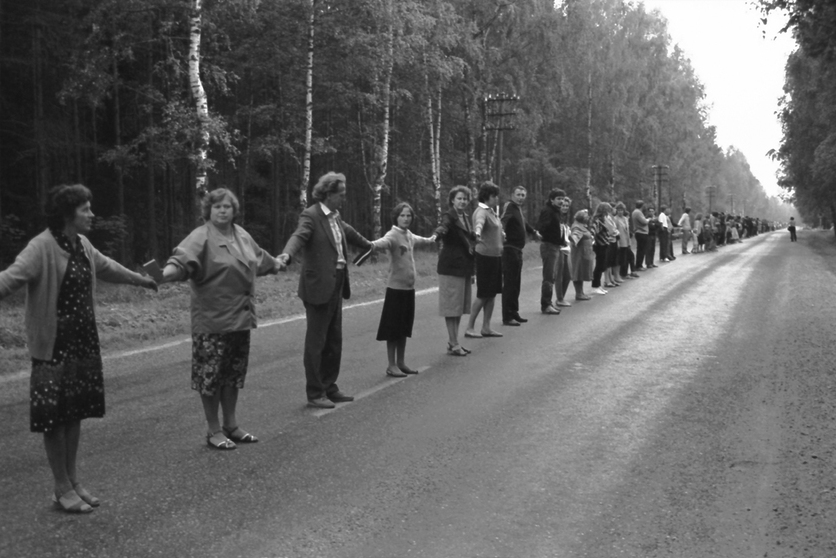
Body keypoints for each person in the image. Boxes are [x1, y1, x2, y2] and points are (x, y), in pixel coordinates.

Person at [0, 184, 157, 513]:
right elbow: (10, 279)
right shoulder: (40, 247)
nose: (91, 214)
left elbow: (109, 267)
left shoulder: (82, 244)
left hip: (82, 343)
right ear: (68, 213)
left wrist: (141, 280)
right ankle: (59, 486)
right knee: (54, 419)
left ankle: (72, 481)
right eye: (86, 209)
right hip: (52, 347)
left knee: (74, 415)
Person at [161, 188, 280, 450]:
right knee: (211, 377)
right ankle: (213, 429)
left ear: (234, 210)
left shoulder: (241, 235)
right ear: (208, 210)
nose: (223, 210)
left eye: (227, 206)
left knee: (232, 374)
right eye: (217, 207)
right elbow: (181, 261)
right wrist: (165, 273)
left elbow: (259, 258)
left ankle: (231, 424)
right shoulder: (201, 236)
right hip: (212, 320)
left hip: (240, 317)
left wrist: (277, 264)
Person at [277, 172, 372, 409]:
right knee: (317, 341)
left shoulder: (336, 217)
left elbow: (352, 235)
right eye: (340, 195)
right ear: (328, 194)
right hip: (318, 285)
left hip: (337, 282)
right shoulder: (311, 215)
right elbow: (298, 236)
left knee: (333, 339)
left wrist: (373, 245)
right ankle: (315, 392)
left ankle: (330, 386)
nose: (344, 198)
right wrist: (287, 254)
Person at [369, 202, 436, 377]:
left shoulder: (409, 235)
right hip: (395, 290)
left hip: (409, 289)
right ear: (396, 217)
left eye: (408, 216)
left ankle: (401, 362)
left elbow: (422, 240)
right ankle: (391, 364)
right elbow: (381, 243)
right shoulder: (392, 235)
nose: (406, 219)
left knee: (404, 328)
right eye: (402, 215)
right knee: (393, 329)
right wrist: (369, 245)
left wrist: (432, 239)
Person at [434, 186, 476, 356]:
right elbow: (443, 227)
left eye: (465, 199)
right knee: (452, 307)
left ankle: (454, 342)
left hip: (464, 266)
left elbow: (469, 240)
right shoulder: (449, 216)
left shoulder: (465, 217)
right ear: (452, 200)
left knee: (458, 307)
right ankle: (453, 342)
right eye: (459, 198)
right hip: (451, 266)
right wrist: (438, 233)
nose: (462, 201)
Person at [465, 182, 504, 339]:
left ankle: (486, 327)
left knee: (492, 293)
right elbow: (479, 225)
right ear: (488, 196)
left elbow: (495, 228)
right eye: (494, 196)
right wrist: (477, 232)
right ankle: (469, 327)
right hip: (485, 257)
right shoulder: (481, 211)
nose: (497, 199)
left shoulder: (491, 212)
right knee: (483, 294)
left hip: (495, 257)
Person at [500, 185, 539, 325]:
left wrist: (534, 232)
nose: (521, 197)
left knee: (516, 283)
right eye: (518, 194)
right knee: (510, 283)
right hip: (510, 249)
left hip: (518, 250)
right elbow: (503, 220)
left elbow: (524, 223)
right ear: (512, 195)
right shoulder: (510, 206)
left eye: (523, 195)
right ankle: (507, 316)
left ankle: (514, 312)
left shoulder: (518, 209)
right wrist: (502, 232)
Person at [536, 188, 567, 314]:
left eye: (562, 199)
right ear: (551, 200)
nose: (561, 201)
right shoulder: (548, 211)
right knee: (549, 277)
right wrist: (549, 236)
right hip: (549, 246)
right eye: (558, 199)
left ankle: (549, 302)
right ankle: (546, 304)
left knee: (552, 276)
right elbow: (541, 227)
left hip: (555, 246)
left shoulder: (556, 212)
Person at [569, 209, 594, 301]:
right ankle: (578, 293)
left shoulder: (582, 226)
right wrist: (572, 238)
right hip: (579, 253)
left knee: (582, 272)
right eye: (586, 216)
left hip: (584, 252)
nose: (587, 218)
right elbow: (575, 237)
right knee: (578, 271)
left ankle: (581, 292)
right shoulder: (576, 227)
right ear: (581, 217)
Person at [590, 202, 613, 295]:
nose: (608, 212)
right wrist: (593, 238)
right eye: (607, 210)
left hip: (604, 244)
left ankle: (598, 285)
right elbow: (593, 231)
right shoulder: (597, 220)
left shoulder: (602, 219)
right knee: (599, 266)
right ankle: (595, 286)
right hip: (599, 245)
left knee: (602, 265)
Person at [631, 200, 649, 271]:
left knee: (640, 249)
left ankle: (639, 264)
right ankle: (639, 265)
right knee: (641, 250)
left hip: (639, 232)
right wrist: (648, 220)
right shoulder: (638, 212)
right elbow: (644, 222)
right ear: (642, 206)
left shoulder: (635, 212)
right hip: (641, 232)